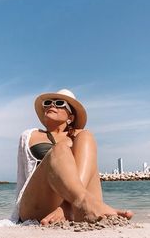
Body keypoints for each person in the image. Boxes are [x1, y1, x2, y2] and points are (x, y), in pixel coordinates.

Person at [11, 89, 133, 225]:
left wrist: (66, 204)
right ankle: (81, 202)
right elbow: (23, 177)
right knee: (60, 148)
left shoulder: (80, 136)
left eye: (59, 103)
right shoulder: (30, 135)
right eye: (48, 103)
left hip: (70, 202)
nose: (52, 106)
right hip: (39, 201)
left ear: (71, 118)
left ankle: (69, 206)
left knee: (86, 135)